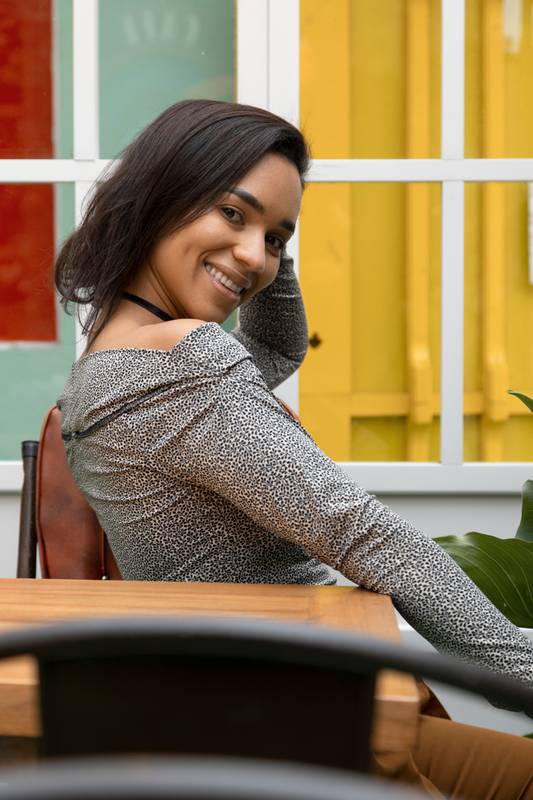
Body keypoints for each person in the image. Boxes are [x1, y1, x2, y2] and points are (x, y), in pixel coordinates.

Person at [56, 99, 533, 798]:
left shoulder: (106, 364)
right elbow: (367, 537)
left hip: (255, 717)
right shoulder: (181, 367)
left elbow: (277, 346)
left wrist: (259, 240)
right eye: (230, 212)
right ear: (160, 197)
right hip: (303, 733)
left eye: (276, 238)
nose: (256, 256)